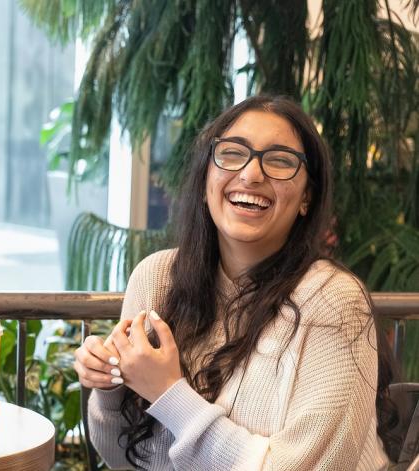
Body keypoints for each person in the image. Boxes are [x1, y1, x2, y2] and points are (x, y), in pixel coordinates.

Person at [74, 95, 397, 469]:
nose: (251, 174)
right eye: (232, 153)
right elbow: (125, 459)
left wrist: (169, 393)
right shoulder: (156, 278)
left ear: (307, 196)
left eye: (279, 161)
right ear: (205, 178)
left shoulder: (334, 301)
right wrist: (111, 388)